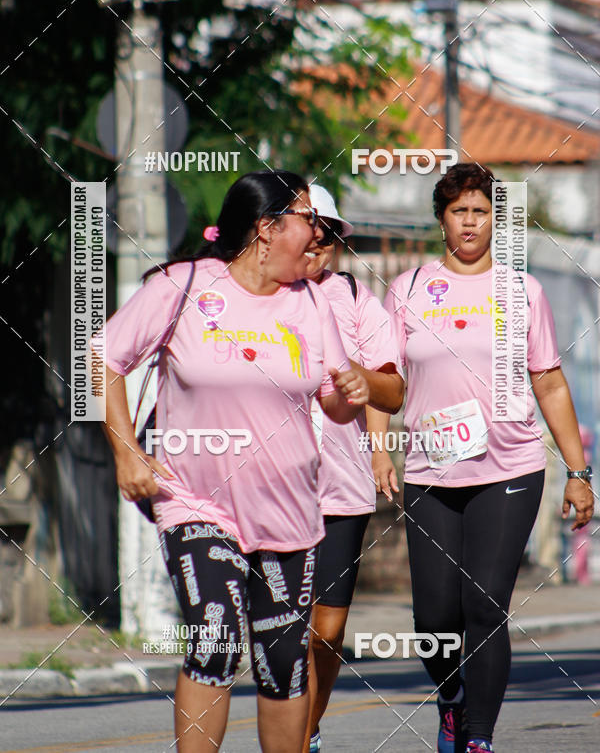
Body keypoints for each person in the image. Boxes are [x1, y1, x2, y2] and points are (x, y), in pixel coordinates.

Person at [94, 170, 370, 753]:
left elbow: (336, 409)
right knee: (214, 636)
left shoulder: (312, 302)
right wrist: (126, 452)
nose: (318, 235)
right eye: (307, 220)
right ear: (267, 229)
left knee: (282, 662)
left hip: (289, 515)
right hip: (195, 502)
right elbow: (105, 357)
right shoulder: (184, 285)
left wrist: (351, 394)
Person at [378, 163, 594, 753]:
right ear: (441, 220)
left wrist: (578, 473)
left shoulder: (524, 290)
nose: (470, 222)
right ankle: (451, 700)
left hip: (512, 466)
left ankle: (479, 738)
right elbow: (384, 377)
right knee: (433, 620)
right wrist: (379, 449)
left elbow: (548, 382)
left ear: (495, 218)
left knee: (484, 603)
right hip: (430, 470)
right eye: (458, 211)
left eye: (480, 210)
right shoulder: (408, 288)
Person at [301, 186, 404, 753]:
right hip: (273, 488)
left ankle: (309, 724)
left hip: (341, 486)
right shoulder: (263, 296)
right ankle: (290, 736)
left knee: (329, 629)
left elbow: (385, 381)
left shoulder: (359, 299)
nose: (319, 239)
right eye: (310, 226)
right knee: (286, 627)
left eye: (330, 230)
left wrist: (379, 449)